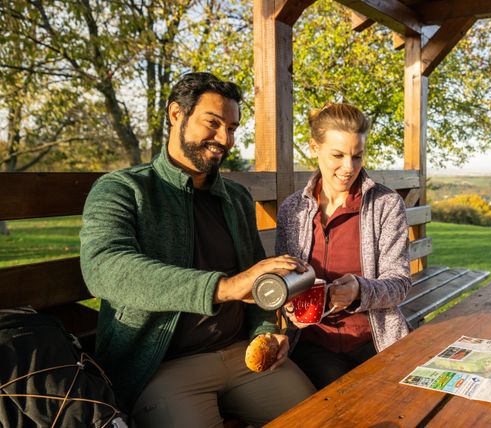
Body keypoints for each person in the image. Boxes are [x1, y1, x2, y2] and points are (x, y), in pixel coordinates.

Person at [79, 72, 315, 427]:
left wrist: (265, 330)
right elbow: (104, 268)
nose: (225, 138)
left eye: (233, 128)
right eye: (213, 123)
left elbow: (257, 275)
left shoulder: (235, 197)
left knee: (327, 418)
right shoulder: (123, 189)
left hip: (241, 356)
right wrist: (224, 287)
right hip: (161, 366)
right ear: (177, 114)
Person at [276, 103, 412, 389]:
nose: (349, 168)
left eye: (357, 156)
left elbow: (400, 284)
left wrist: (359, 291)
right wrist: (290, 308)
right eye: (337, 155)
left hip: (375, 340)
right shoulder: (292, 210)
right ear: (314, 148)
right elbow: (284, 279)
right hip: (313, 343)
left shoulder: (386, 205)